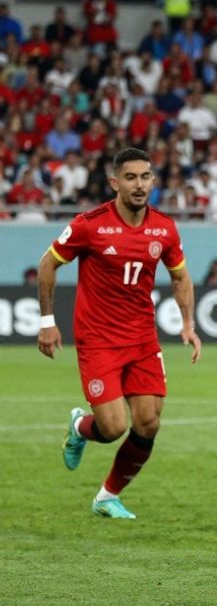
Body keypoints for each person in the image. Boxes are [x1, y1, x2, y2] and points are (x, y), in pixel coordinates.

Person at [36, 148, 203, 519]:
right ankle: (80, 426)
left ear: (154, 181)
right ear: (115, 182)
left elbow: (180, 277)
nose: (139, 185)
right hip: (99, 340)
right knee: (112, 428)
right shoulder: (89, 225)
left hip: (142, 338)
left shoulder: (164, 228)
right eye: (131, 177)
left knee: (148, 422)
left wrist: (188, 324)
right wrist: (47, 322)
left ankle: (107, 496)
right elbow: (48, 265)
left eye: (145, 177)